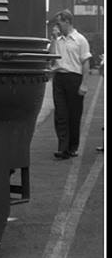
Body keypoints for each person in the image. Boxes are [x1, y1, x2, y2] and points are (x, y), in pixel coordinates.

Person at [50, 10, 91, 159]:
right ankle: (62, 148)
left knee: (74, 115)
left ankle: (73, 146)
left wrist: (84, 84)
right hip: (59, 78)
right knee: (60, 115)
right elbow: (51, 58)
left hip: (75, 79)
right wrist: (53, 40)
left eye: (59, 22)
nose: (57, 25)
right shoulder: (57, 40)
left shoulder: (81, 40)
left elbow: (86, 62)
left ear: (67, 21)